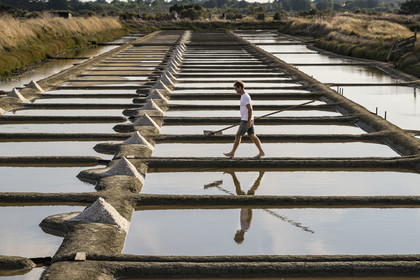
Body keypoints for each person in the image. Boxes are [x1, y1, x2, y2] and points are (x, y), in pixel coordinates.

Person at [224, 81, 265, 158]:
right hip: (247, 119)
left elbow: (250, 109)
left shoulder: (245, 96)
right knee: (252, 135)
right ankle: (261, 152)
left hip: (246, 120)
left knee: (238, 135)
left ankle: (232, 153)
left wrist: (248, 121)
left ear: (240, 87)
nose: (235, 90)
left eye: (236, 88)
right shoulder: (243, 96)